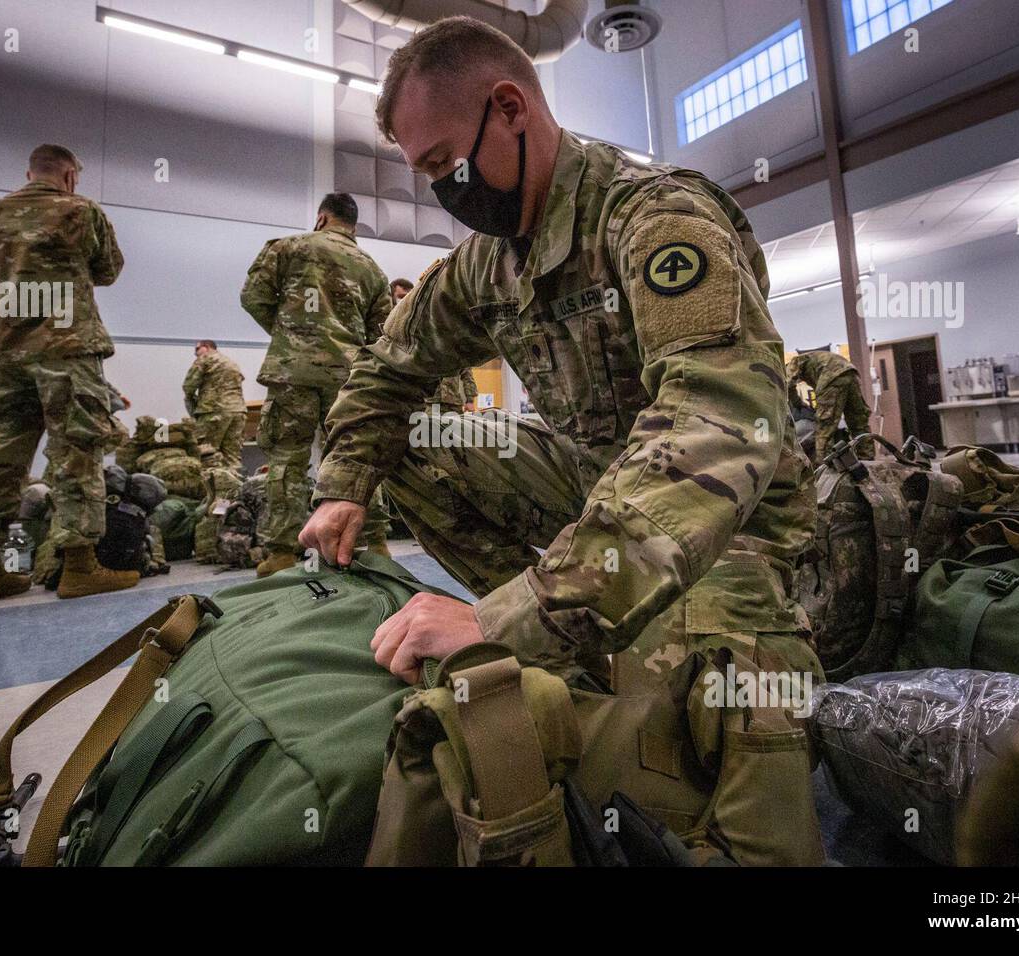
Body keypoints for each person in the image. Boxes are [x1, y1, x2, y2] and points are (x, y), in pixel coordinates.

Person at [299, 17, 820, 697]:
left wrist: (508, 618)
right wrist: (344, 484)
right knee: (408, 444)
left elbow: (714, 427)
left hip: (724, 510)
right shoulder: (486, 262)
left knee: (722, 704)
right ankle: (567, 635)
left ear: (510, 109)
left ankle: (556, 617)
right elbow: (387, 369)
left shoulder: (655, 217)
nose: (443, 192)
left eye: (443, 164)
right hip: (592, 482)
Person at [0, 143, 136, 604]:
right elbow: (108, 270)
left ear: (28, 172)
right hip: (66, 346)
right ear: (70, 176)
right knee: (77, 452)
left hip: (4, 349)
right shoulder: (81, 211)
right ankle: (80, 567)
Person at [240, 192, 394, 576]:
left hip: (292, 373)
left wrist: (292, 335)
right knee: (355, 457)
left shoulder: (288, 247)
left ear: (321, 218)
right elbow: (383, 331)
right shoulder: (371, 268)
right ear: (353, 226)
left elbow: (253, 297)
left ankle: (279, 553)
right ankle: (373, 542)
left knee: (286, 459)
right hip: (348, 378)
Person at [392, 275, 477, 413]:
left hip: (453, 401)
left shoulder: (455, 336)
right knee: (428, 433)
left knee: (453, 434)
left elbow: (466, 370)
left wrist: (470, 399)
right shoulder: (418, 333)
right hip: (430, 401)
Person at [786, 349, 875, 460]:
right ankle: (867, 459)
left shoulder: (792, 363)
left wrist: (797, 403)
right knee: (858, 421)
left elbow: (787, 384)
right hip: (849, 371)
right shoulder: (814, 362)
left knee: (825, 426)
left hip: (831, 375)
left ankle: (824, 466)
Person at [182, 340, 246, 469]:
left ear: (206, 347)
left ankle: (211, 488)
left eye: (197, 349)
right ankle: (234, 486)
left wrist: (191, 400)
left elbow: (188, 386)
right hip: (238, 412)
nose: (195, 353)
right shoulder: (231, 363)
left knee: (206, 453)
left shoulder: (205, 359)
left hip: (214, 411)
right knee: (232, 457)